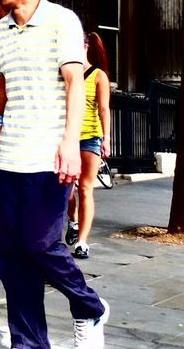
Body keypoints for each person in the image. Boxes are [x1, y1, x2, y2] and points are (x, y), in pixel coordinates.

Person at [0, 0, 110, 349]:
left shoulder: (62, 21)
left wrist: (68, 143)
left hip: (49, 157)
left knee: (42, 244)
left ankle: (89, 306)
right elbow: (2, 85)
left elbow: (74, 83)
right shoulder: (0, 30)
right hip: (10, 157)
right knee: (12, 257)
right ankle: (28, 343)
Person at [66, 32, 111, 260]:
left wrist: (107, 138)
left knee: (85, 188)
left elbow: (103, 108)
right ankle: (72, 221)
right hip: (67, 137)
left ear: (85, 47)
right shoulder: (65, 73)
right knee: (66, 188)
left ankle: (82, 242)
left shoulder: (98, 75)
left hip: (90, 136)